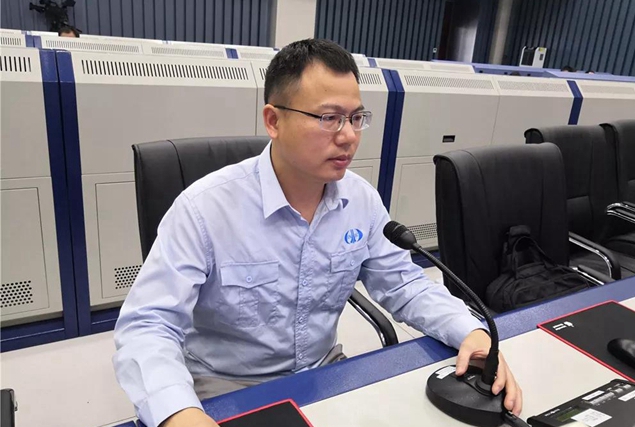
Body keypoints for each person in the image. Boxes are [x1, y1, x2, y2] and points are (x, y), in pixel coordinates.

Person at [113, 39, 523, 427]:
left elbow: (403, 285)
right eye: (329, 118)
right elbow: (148, 325)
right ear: (274, 120)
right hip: (227, 390)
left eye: (356, 118)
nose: (348, 136)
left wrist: (470, 331)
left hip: (323, 377)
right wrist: (178, 413)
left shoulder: (360, 201)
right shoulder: (204, 209)